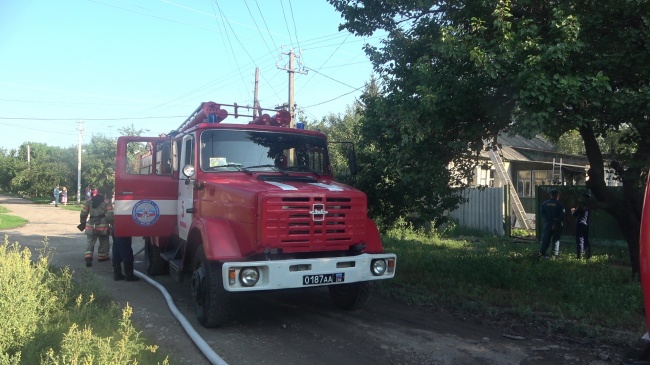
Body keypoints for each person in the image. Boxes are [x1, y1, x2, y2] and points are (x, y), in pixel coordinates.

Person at [79, 189, 114, 267]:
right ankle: (102, 256)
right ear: (104, 194)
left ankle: (88, 257)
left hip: (91, 225)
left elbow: (84, 213)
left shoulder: (89, 201)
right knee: (104, 240)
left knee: (90, 241)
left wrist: (82, 221)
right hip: (103, 225)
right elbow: (110, 215)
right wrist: (112, 224)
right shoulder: (107, 202)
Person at [538, 188, 566, 258]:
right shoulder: (560, 205)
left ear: (550, 195)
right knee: (556, 239)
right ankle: (554, 255)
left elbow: (542, 214)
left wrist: (548, 219)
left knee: (546, 239)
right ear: (557, 195)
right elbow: (562, 215)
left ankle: (542, 253)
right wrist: (556, 223)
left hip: (547, 224)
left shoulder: (544, 204)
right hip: (557, 224)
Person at [571, 192, 592, 259]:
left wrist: (573, 211)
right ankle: (588, 255)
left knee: (580, 240)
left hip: (580, 223)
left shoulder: (581, 206)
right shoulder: (589, 206)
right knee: (586, 240)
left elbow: (575, 215)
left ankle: (579, 256)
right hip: (586, 224)